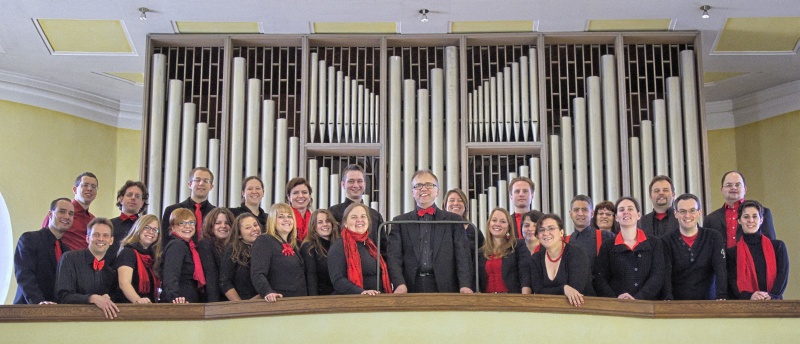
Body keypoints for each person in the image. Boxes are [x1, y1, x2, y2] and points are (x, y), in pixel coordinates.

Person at [387, 170, 474, 294]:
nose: (424, 189)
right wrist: (399, 284)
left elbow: (463, 256)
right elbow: (394, 257)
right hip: (409, 287)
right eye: (418, 185)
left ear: (437, 191)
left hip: (447, 287)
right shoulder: (399, 222)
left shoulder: (454, 221)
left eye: (429, 185)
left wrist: (465, 285)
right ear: (412, 192)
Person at [594, 197, 665, 300]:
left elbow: (657, 276)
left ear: (639, 215)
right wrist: (616, 299)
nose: (626, 212)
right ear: (616, 217)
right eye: (621, 210)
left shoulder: (655, 243)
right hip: (616, 305)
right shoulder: (607, 246)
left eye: (630, 209)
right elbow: (600, 278)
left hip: (648, 304)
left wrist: (638, 298)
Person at [662, 193, 727, 300]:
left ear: (699, 212)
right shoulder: (666, 241)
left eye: (692, 210)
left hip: (709, 303)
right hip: (676, 304)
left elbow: (720, 270)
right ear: (675, 213)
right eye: (682, 211)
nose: (687, 215)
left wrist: (721, 296)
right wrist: (668, 298)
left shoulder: (713, 237)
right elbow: (665, 275)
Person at [55, 218, 119, 319]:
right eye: (96, 235)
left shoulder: (111, 271)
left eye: (105, 235)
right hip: (69, 320)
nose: (101, 239)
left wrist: (107, 298)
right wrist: (92, 298)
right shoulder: (69, 258)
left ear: (111, 240)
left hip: (97, 323)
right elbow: (63, 296)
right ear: (87, 238)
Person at [14, 198, 75, 304]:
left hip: (55, 310)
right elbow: (25, 275)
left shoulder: (67, 252)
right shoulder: (30, 239)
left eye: (71, 214)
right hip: (28, 308)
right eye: (62, 211)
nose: (67, 216)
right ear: (50, 214)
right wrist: (39, 303)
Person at [726, 200, 788, 300]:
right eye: (746, 217)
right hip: (746, 305)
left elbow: (782, 277)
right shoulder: (732, 253)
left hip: (774, 303)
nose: (751, 220)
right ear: (739, 221)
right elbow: (733, 283)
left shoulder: (778, 247)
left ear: (761, 220)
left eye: (755, 216)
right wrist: (750, 296)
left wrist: (771, 296)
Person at [328, 203, 393, 295]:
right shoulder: (338, 246)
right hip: (355, 300)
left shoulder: (371, 245)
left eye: (363, 216)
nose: (359, 220)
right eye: (354, 217)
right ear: (345, 223)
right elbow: (338, 280)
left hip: (378, 298)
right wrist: (361, 292)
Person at [528, 214, 592, 307]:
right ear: (537, 236)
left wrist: (554, 290)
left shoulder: (576, 253)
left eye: (551, 228)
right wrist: (564, 289)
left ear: (561, 232)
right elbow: (539, 291)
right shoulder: (535, 258)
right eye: (541, 230)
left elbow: (576, 290)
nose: (546, 233)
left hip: (582, 308)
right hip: (549, 309)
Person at [251, 203, 308, 302]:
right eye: (281, 217)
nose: (286, 220)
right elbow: (258, 273)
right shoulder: (264, 240)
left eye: (289, 216)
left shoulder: (293, 245)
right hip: (278, 301)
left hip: (298, 300)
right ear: (272, 220)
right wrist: (268, 292)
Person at [704, 171, 776, 248]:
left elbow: (770, 245)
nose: (733, 188)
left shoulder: (763, 213)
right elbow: (707, 247)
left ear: (745, 189)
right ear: (721, 190)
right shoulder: (710, 219)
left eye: (738, 185)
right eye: (729, 185)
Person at [329, 164, 386, 251]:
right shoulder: (332, 213)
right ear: (343, 184)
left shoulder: (375, 216)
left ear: (364, 184)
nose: (356, 185)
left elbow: (383, 248)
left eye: (359, 181)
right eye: (351, 181)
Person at [477, 208, 530, 294]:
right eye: (494, 220)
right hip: (486, 299)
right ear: (489, 223)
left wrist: (525, 298)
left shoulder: (518, 246)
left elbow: (525, 274)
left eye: (503, 221)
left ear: (509, 227)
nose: (497, 224)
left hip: (512, 298)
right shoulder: (480, 252)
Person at [160, 208, 206, 303]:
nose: (188, 226)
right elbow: (171, 275)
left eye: (191, 222)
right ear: (173, 228)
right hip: (179, 302)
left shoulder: (190, 247)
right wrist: (174, 297)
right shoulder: (177, 245)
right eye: (182, 223)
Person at [42, 172, 98, 251]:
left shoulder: (93, 220)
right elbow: (45, 238)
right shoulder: (59, 213)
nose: (90, 189)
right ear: (75, 189)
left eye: (94, 186)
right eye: (85, 185)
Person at [161, 167, 217, 244]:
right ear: (190, 184)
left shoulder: (216, 214)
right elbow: (164, 240)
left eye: (206, 181)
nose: (201, 183)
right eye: (197, 180)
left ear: (211, 186)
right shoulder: (172, 210)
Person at [116, 214, 162, 303]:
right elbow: (124, 283)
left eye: (155, 230)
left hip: (148, 306)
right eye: (147, 228)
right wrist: (138, 300)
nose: (151, 232)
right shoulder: (128, 252)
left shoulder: (152, 256)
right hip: (131, 306)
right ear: (138, 229)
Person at [219, 213, 262, 301]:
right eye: (248, 227)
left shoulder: (268, 248)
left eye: (255, 225)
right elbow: (225, 282)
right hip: (242, 303)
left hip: (267, 301)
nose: (254, 229)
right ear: (239, 234)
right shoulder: (233, 250)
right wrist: (241, 305)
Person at [196, 207, 235, 302]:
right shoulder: (205, 244)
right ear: (210, 226)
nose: (223, 226)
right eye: (218, 223)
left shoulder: (234, 246)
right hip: (215, 301)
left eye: (227, 223)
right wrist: (214, 306)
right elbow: (211, 277)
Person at [565, 195, 614, 271]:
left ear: (592, 213)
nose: (580, 213)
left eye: (585, 210)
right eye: (576, 210)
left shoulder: (606, 237)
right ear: (570, 214)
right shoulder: (564, 241)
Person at [301, 209, 340, 295]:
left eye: (327, 221)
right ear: (313, 226)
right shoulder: (309, 247)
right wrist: (314, 300)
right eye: (320, 222)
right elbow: (311, 276)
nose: (325, 224)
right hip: (320, 296)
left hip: (340, 294)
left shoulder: (339, 244)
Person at [109, 180, 148, 262]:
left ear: (142, 203)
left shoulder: (146, 227)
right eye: (129, 195)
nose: (133, 198)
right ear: (121, 199)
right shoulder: (109, 225)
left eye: (137, 196)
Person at [444, 188, 484, 260]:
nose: (456, 203)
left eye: (460, 200)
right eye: (452, 200)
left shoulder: (474, 231)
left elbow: (482, 257)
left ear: (465, 206)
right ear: (445, 205)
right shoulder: (437, 228)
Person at [286, 177, 313, 243]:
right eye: (295, 193)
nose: (300, 196)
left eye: (304, 192)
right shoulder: (284, 219)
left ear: (309, 196)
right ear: (289, 197)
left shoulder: (315, 219)